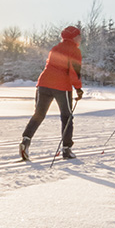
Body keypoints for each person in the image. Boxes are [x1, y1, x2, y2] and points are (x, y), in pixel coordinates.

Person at [20, 26, 84, 161]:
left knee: (39, 114)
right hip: (62, 86)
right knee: (67, 117)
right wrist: (78, 88)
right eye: (79, 35)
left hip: (43, 83)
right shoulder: (75, 50)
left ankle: (26, 141)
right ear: (73, 37)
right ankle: (67, 149)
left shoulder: (55, 48)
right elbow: (74, 71)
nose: (81, 38)